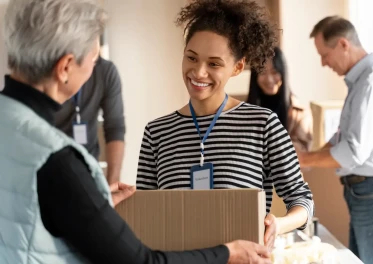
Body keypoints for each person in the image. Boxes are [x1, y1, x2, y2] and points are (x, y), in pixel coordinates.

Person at [0, 0, 273, 263]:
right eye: (94, 60)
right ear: (65, 68)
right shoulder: (59, 160)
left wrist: (96, 203)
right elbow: (141, 261)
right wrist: (229, 253)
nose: (96, 69)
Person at [136, 0, 314, 250]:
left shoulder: (263, 124)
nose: (198, 72)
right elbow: (147, 216)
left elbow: (302, 199)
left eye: (214, 64)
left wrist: (277, 224)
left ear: (237, 67)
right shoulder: (157, 132)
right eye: (191, 57)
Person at [296, 16, 373, 264]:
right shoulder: (361, 82)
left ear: (344, 44)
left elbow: (352, 151)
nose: (324, 63)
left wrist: (302, 158)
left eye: (324, 55)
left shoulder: (372, 81)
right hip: (367, 191)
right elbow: (341, 137)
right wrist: (307, 159)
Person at [55, 53, 125, 184]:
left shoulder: (105, 71)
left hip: (89, 169)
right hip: (52, 169)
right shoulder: (52, 71)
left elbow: (115, 128)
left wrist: (113, 183)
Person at [247, 46, 313, 152]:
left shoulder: (300, 113)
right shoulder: (243, 112)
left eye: (274, 72)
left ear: (283, 73)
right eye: (263, 73)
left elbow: (303, 155)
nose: (269, 79)